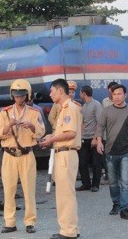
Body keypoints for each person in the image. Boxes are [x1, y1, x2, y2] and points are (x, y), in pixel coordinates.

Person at [0, 79, 45, 234]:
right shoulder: (4, 113)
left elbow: (41, 132)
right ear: (12, 95)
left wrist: (32, 126)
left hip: (26, 154)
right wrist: (9, 125)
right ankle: (10, 222)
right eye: (16, 95)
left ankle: (30, 222)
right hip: (9, 155)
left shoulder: (34, 113)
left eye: (22, 95)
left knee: (29, 190)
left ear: (27, 95)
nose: (19, 98)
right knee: (9, 190)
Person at [39, 79, 81, 239]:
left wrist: (51, 140)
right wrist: (50, 137)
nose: (50, 94)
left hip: (65, 153)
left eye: (52, 91)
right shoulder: (64, 108)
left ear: (60, 91)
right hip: (63, 153)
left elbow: (70, 133)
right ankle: (72, 229)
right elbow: (63, 131)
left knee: (65, 194)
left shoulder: (69, 108)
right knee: (66, 193)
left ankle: (68, 231)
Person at [95, 84, 128, 220]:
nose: (117, 97)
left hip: (127, 152)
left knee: (126, 181)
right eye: (114, 94)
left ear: (125, 95)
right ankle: (116, 203)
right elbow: (100, 127)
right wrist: (98, 142)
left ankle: (125, 209)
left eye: (119, 94)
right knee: (113, 182)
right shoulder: (106, 111)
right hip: (110, 151)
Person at [76, 85, 103, 192]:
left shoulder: (96, 105)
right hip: (84, 138)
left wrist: (95, 138)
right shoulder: (84, 106)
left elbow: (100, 122)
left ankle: (95, 185)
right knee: (82, 162)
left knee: (96, 163)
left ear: (83, 93)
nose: (79, 95)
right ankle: (86, 184)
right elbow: (83, 123)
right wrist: (80, 136)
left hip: (94, 138)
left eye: (80, 93)